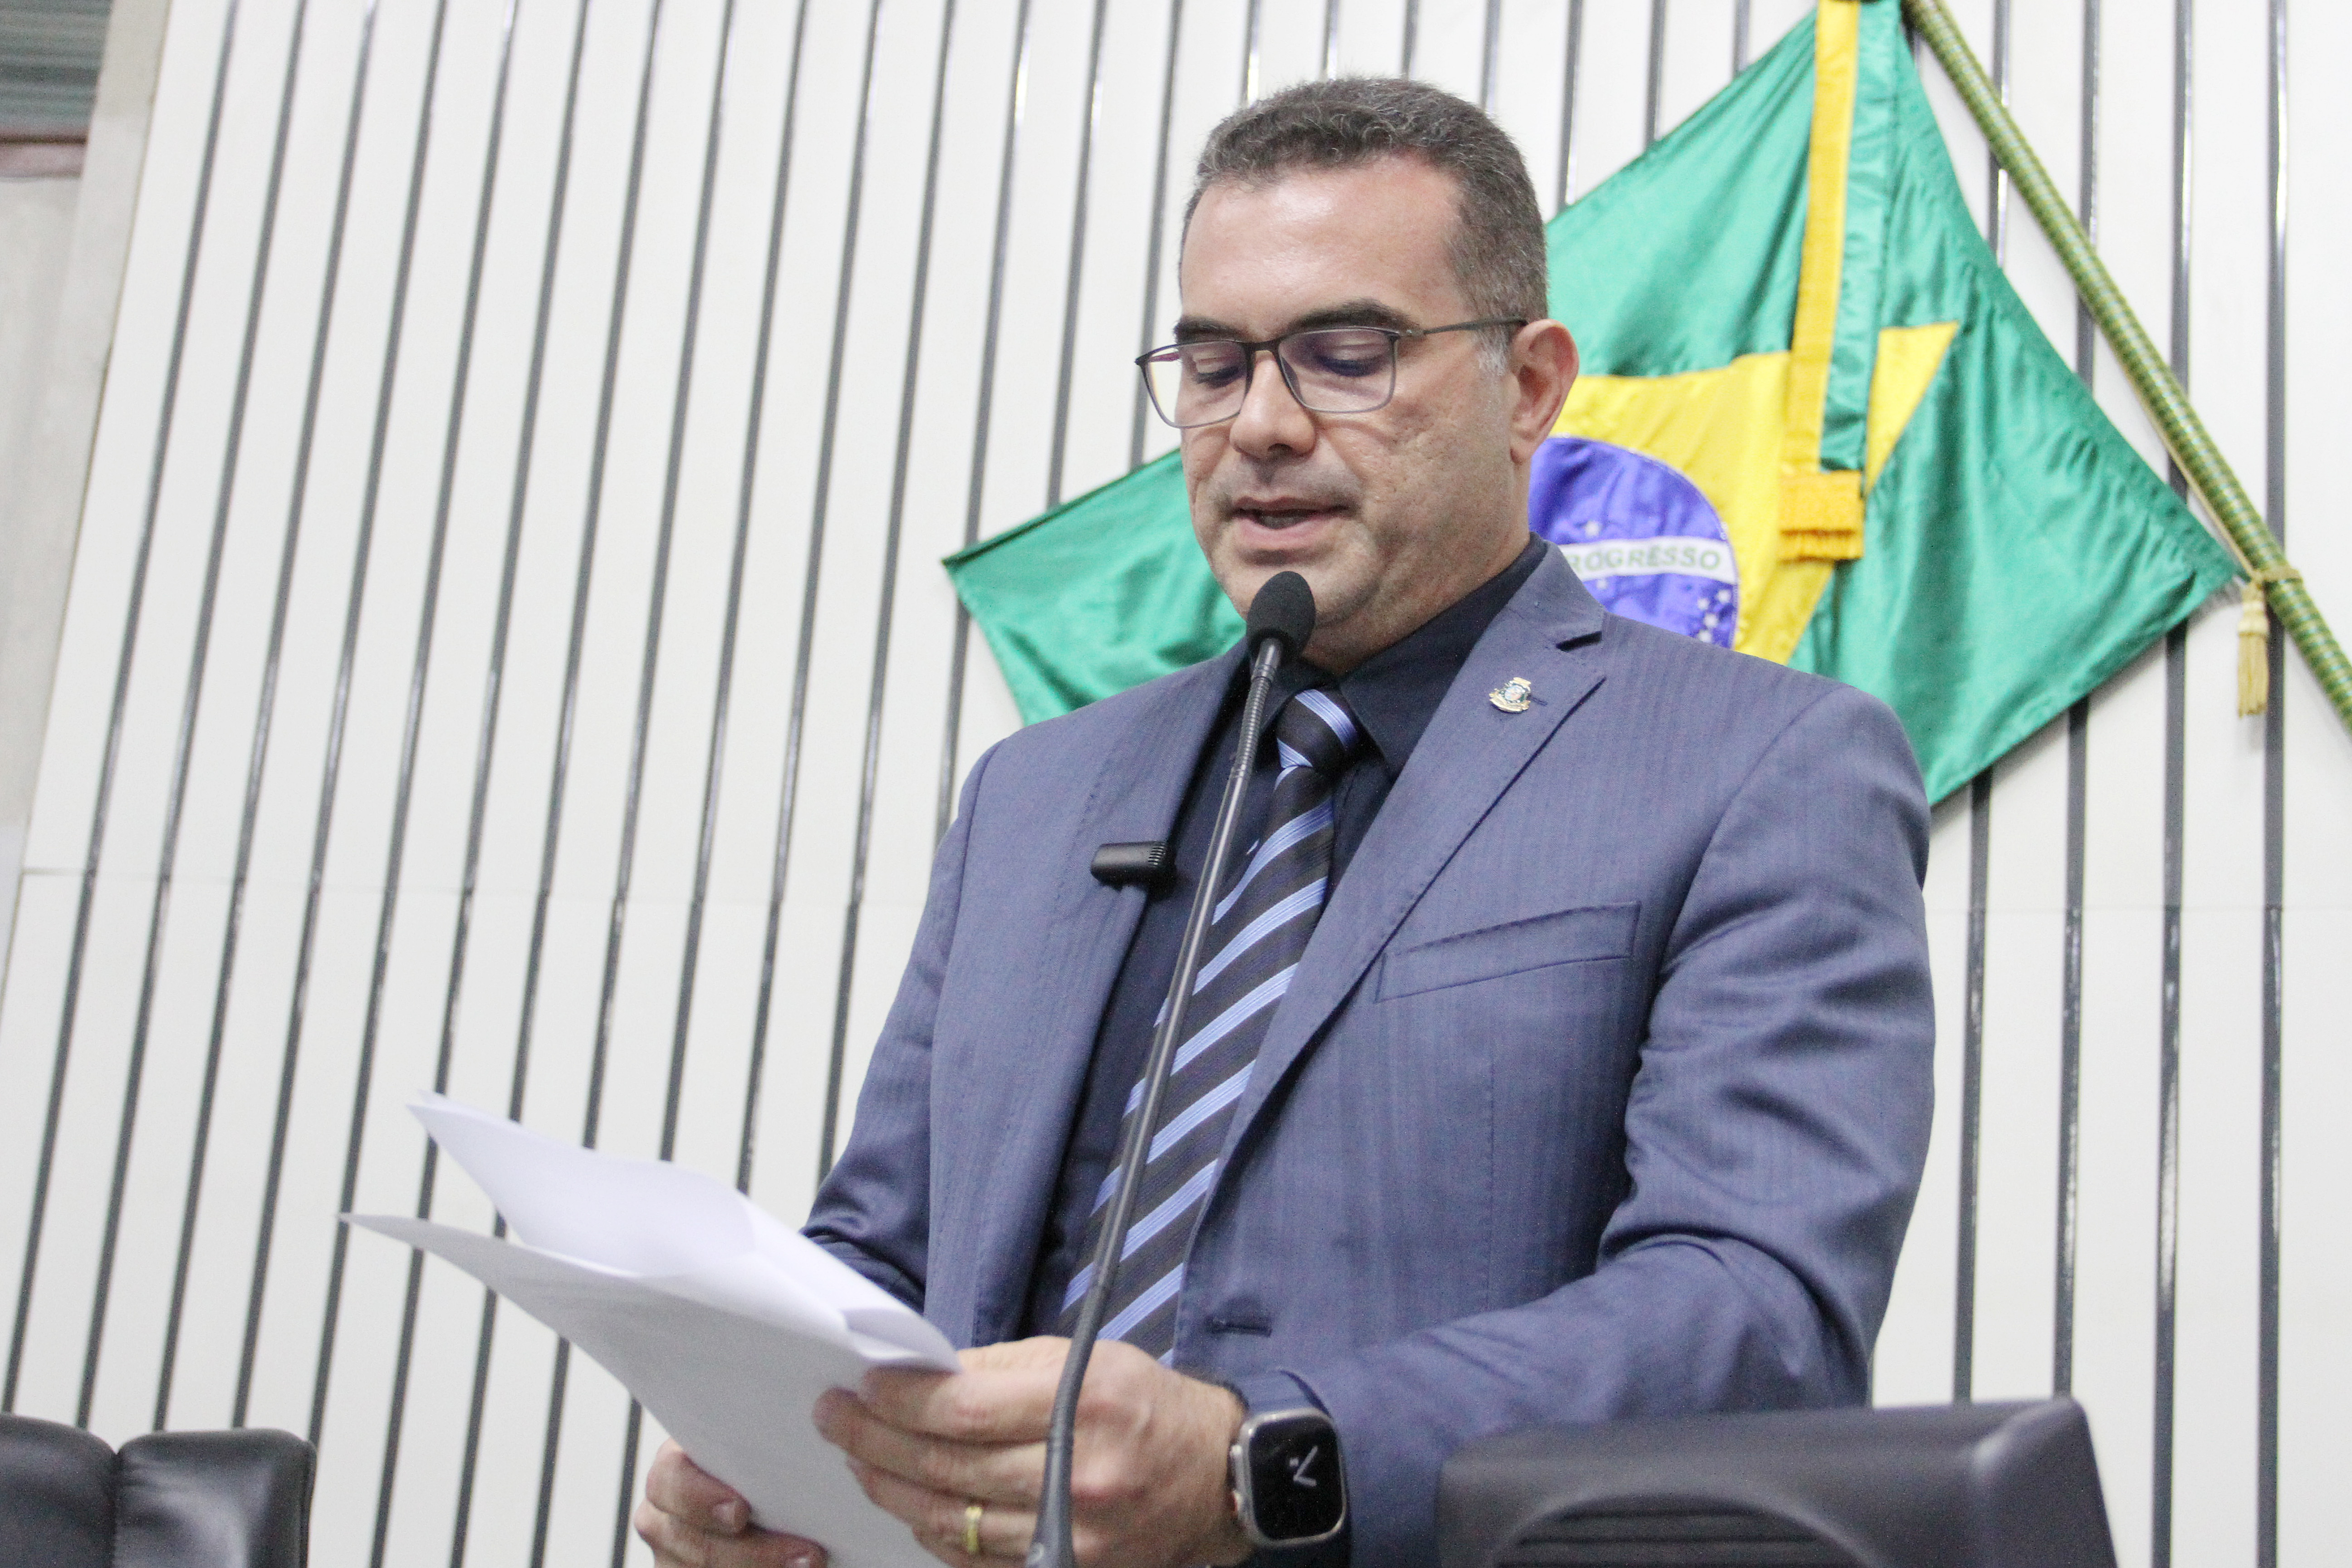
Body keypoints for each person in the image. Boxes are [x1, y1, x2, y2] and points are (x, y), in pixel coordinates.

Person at [637, 77, 1932, 1568]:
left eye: (1346, 357)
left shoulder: (1765, 765)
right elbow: (881, 1252)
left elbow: (1755, 1316)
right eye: (1214, 364)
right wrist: (767, 1446)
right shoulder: (1038, 792)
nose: (1258, 425)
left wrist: (1262, 1463)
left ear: (1528, 386)